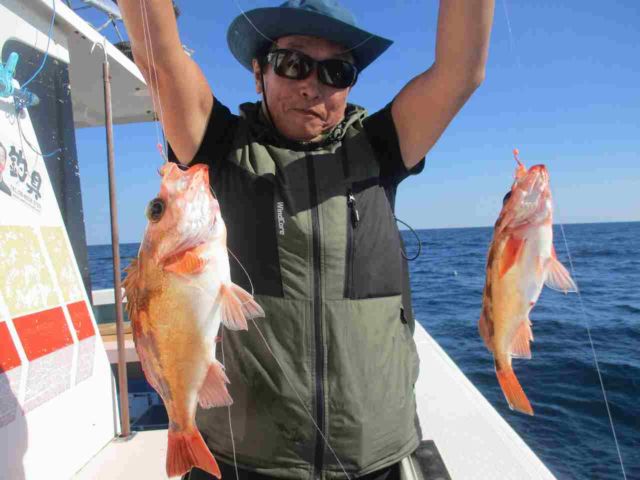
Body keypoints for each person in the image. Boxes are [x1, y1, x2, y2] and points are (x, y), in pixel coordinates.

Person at [119, 1, 494, 479]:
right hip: (245, 461)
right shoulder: (221, 149)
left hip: (375, 459)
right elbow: (158, 56)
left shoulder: (381, 147)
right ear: (259, 73)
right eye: (292, 63)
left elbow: (461, 72)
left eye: (336, 72)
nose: (311, 86)